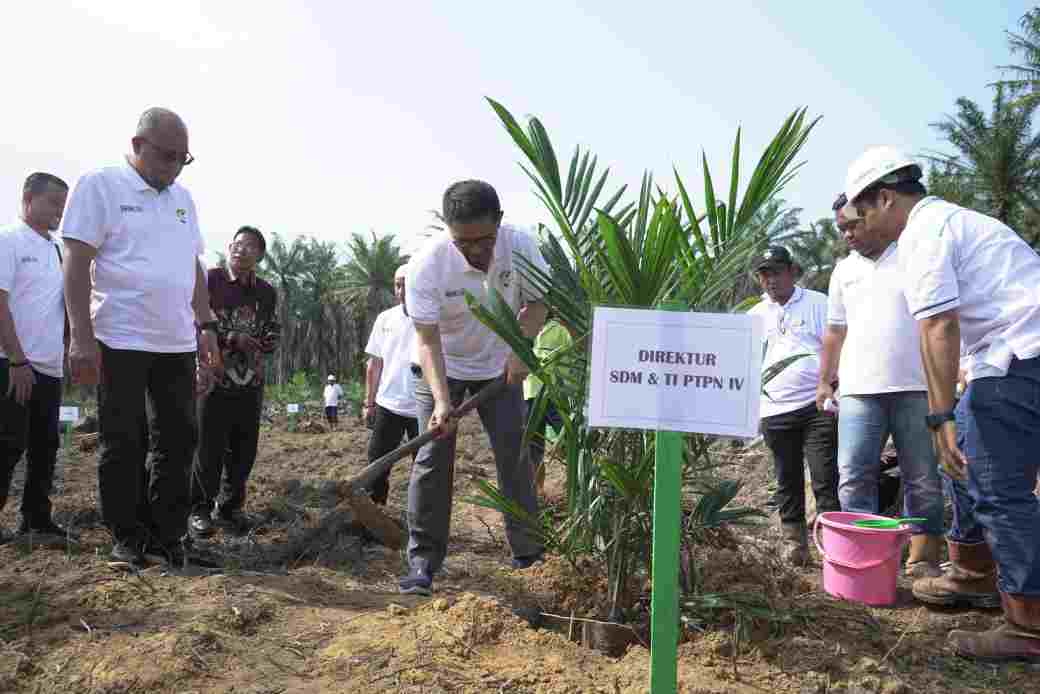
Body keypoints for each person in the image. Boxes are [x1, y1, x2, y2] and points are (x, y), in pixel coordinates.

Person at [842, 145, 1040, 662]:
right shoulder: (953, 222)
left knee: (999, 489)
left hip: (1019, 360)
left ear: (884, 199)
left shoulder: (925, 235)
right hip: (1013, 357)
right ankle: (974, 575)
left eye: (860, 212)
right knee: (972, 468)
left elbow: (939, 325)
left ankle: (1029, 625)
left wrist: (940, 415)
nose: (861, 225)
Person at [61, 107, 222, 570]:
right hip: (119, 337)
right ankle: (127, 536)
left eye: (182, 159)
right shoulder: (101, 186)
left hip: (175, 341)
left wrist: (206, 324)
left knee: (178, 438)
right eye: (166, 155)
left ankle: (168, 535)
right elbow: (75, 264)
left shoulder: (182, 200)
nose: (173, 166)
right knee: (123, 439)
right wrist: (81, 339)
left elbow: (191, 265)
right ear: (137, 146)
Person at [400, 179, 547, 595]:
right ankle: (423, 563)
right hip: (440, 367)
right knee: (432, 457)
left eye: (484, 240)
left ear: (499, 222)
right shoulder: (427, 264)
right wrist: (443, 402)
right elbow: (427, 341)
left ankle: (529, 555)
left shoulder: (522, 246)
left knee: (515, 455)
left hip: (500, 367)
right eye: (464, 243)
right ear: (449, 231)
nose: (476, 251)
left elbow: (537, 304)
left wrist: (520, 348)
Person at [816, 193, 945, 578]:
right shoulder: (843, 271)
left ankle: (922, 558)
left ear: (874, 214)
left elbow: (939, 320)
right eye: (842, 229)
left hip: (916, 387)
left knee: (922, 477)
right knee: (854, 474)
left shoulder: (912, 256)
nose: (848, 234)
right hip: (858, 391)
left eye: (854, 224)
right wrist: (825, 380)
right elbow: (835, 331)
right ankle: (865, 560)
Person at [748, 246, 839, 566]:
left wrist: (832, 383)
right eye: (764, 274)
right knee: (786, 477)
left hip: (816, 405)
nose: (770, 280)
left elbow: (838, 345)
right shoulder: (754, 317)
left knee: (824, 474)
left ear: (792, 271)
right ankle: (795, 544)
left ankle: (831, 545)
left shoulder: (819, 303)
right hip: (774, 410)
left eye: (776, 271)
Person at [189, 226, 280, 538]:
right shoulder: (209, 280)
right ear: (228, 247)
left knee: (244, 450)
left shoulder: (266, 292)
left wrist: (263, 342)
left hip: (250, 382)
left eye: (251, 246)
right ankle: (199, 510)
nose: (242, 250)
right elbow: (194, 320)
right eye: (238, 244)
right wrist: (230, 338)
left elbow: (272, 329)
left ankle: (230, 509)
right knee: (208, 447)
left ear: (260, 256)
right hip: (213, 378)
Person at [0, 173, 71, 544]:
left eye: (63, 203)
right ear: (29, 199)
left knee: (45, 446)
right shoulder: (8, 240)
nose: (60, 210)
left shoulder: (58, 249)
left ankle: (36, 520)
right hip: (13, 365)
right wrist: (16, 360)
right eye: (53, 202)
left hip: (49, 367)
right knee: (7, 443)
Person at [362, 264, 418, 505]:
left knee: (427, 468)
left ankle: (423, 520)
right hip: (388, 405)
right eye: (397, 284)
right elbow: (374, 365)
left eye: (407, 282)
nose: (402, 289)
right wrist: (369, 403)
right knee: (376, 463)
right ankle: (375, 513)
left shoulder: (435, 316)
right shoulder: (385, 319)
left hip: (423, 407)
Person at [522, 317, 572, 496]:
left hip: (554, 394)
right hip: (530, 394)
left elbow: (572, 353)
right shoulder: (525, 325)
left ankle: (574, 484)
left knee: (568, 440)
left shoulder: (560, 329)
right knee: (533, 447)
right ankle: (538, 491)